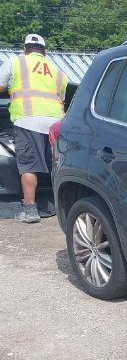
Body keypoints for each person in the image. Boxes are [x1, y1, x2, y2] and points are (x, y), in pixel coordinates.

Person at [0, 34, 68, 223]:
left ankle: (30, 210)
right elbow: (61, 97)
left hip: (28, 120)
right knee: (57, 166)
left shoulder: (16, 63)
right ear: (44, 52)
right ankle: (62, 207)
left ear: (25, 49)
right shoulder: (58, 71)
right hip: (56, 124)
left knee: (29, 165)